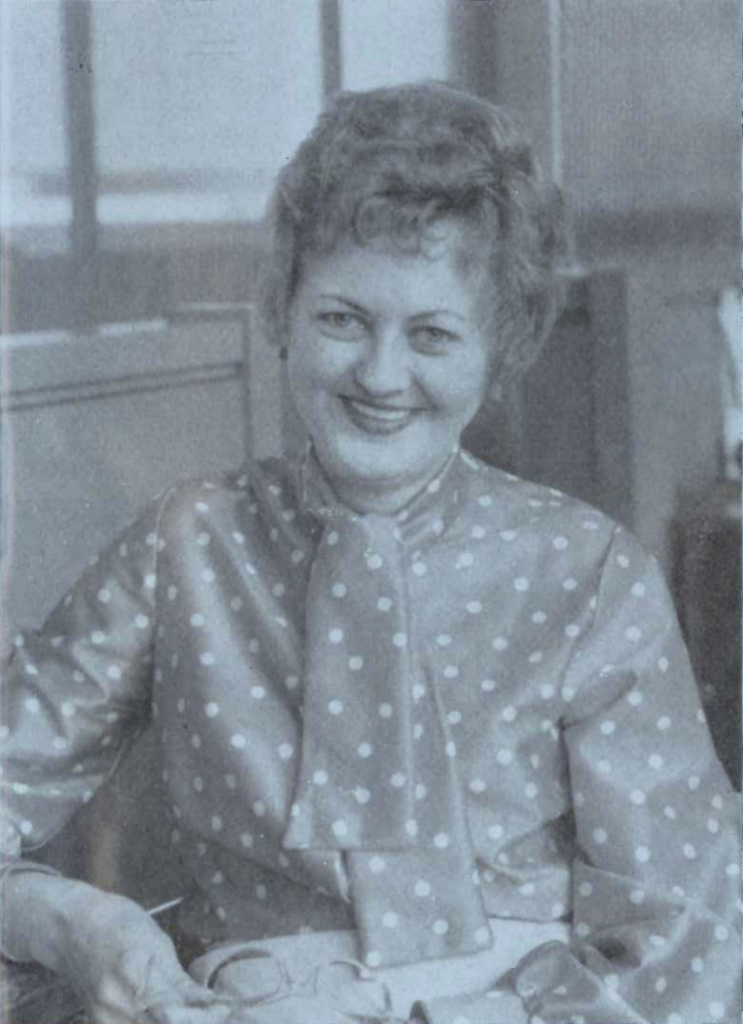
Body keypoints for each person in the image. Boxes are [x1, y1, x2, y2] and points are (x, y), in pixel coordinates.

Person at [1, 81, 740, 1024]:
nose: (381, 376)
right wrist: (60, 918)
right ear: (282, 308)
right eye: (342, 319)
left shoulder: (585, 573)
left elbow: (688, 925)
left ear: (498, 348)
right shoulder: (183, 545)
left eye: (431, 334)